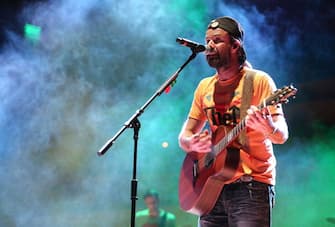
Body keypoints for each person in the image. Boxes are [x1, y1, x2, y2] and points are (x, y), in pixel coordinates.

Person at [178, 16, 289, 226]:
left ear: (235, 46)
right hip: (211, 187)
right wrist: (189, 143)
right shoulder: (204, 87)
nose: (209, 45)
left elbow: (282, 135)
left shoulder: (258, 81)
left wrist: (269, 128)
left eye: (217, 40)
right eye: (207, 40)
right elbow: (186, 135)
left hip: (250, 187)